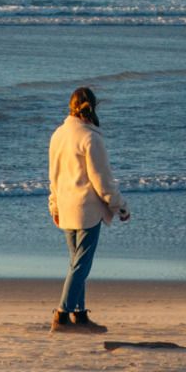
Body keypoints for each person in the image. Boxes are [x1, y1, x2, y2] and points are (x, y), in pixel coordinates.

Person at [47, 84, 128, 332]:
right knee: (81, 266)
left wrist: (54, 205)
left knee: (76, 264)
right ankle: (62, 314)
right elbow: (102, 180)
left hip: (65, 206)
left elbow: (54, 175)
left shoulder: (58, 134)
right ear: (93, 107)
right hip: (86, 209)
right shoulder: (90, 138)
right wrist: (120, 206)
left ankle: (79, 316)